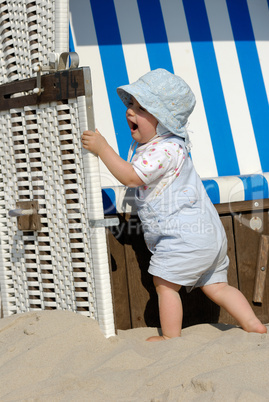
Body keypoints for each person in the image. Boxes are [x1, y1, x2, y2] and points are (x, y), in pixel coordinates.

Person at [81, 68, 267, 341]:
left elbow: (132, 177)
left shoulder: (163, 149)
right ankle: (254, 325)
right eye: (131, 104)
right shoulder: (168, 146)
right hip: (209, 235)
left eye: (142, 107)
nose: (131, 112)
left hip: (185, 237)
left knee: (164, 285)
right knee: (217, 286)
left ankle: (171, 338)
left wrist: (103, 149)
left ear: (164, 120)